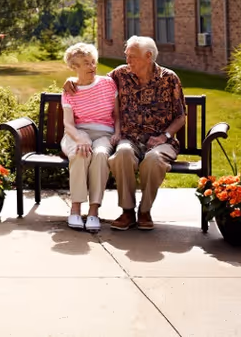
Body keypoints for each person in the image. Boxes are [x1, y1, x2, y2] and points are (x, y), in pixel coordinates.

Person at [63, 36, 185, 231]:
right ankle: (127, 211)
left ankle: (144, 211)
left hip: (160, 141)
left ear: (148, 56)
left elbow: (180, 117)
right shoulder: (121, 74)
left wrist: (165, 137)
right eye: (127, 56)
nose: (128, 61)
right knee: (122, 154)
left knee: (154, 160)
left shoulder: (169, 79)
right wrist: (71, 79)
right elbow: (92, 79)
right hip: (130, 139)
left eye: (132, 57)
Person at [60, 43, 120, 233]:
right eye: (86, 63)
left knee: (101, 154)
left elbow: (117, 115)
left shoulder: (108, 84)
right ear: (74, 67)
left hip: (104, 133)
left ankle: (94, 211)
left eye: (93, 62)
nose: (92, 66)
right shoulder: (70, 89)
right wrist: (79, 138)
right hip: (77, 132)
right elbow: (68, 124)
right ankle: (76, 208)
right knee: (81, 153)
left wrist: (117, 132)